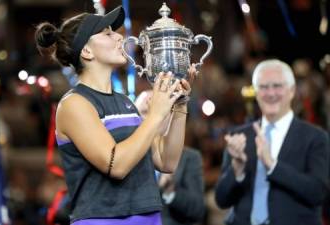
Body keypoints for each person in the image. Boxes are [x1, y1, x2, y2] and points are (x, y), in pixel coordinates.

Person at [34, 5, 196, 225]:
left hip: (149, 218)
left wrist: (179, 106)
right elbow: (116, 165)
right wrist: (155, 115)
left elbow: (166, 161)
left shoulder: (125, 102)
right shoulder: (73, 104)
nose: (119, 38)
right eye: (107, 33)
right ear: (86, 51)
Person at [215, 59, 330, 225]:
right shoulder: (239, 136)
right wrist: (237, 168)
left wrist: (273, 165)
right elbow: (222, 200)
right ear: (255, 92)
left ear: (292, 91)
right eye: (263, 87)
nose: (270, 93)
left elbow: (318, 193)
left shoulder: (316, 137)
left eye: (277, 86)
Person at [135, 90, 205, 225]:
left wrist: (170, 190)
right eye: (144, 112)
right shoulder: (126, 155)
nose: (151, 119)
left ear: (171, 115)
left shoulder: (190, 157)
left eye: (158, 111)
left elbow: (198, 211)